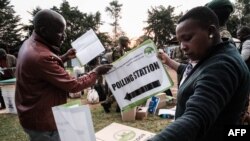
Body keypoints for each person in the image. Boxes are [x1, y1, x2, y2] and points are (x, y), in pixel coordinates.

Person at [148, 6, 250, 141]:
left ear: (210, 32)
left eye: (187, 38)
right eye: (180, 41)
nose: (182, 46)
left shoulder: (221, 66)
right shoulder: (215, 55)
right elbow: (192, 73)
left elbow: (195, 118)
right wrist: (168, 61)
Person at [15, 9, 112, 141]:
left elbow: (43, 69)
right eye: (60, 32)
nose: (64, 36)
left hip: (33, 114)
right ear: (44, 31)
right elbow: (74, 85)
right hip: (44, 123)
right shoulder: (41, 56)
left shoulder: (30, 44)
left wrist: (64, 57)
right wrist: (97, 71)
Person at [101, 36, 131, 113]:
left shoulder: (121, 50)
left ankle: (113, 105)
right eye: (127, 42)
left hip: (118, 73)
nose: (128, 43)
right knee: (119, 90)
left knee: (118, 91)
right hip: (116, 74)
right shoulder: (117, 50)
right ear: (123, 42)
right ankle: (108, 104)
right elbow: (118, 63)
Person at [237, 26, 250, 124]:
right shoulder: (245, 42)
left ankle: (244, 116)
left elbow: (243, 57)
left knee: (244, 94)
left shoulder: (247, 42)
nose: (237, 36)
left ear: (245, 33)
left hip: (247, 72)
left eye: (239, 34)